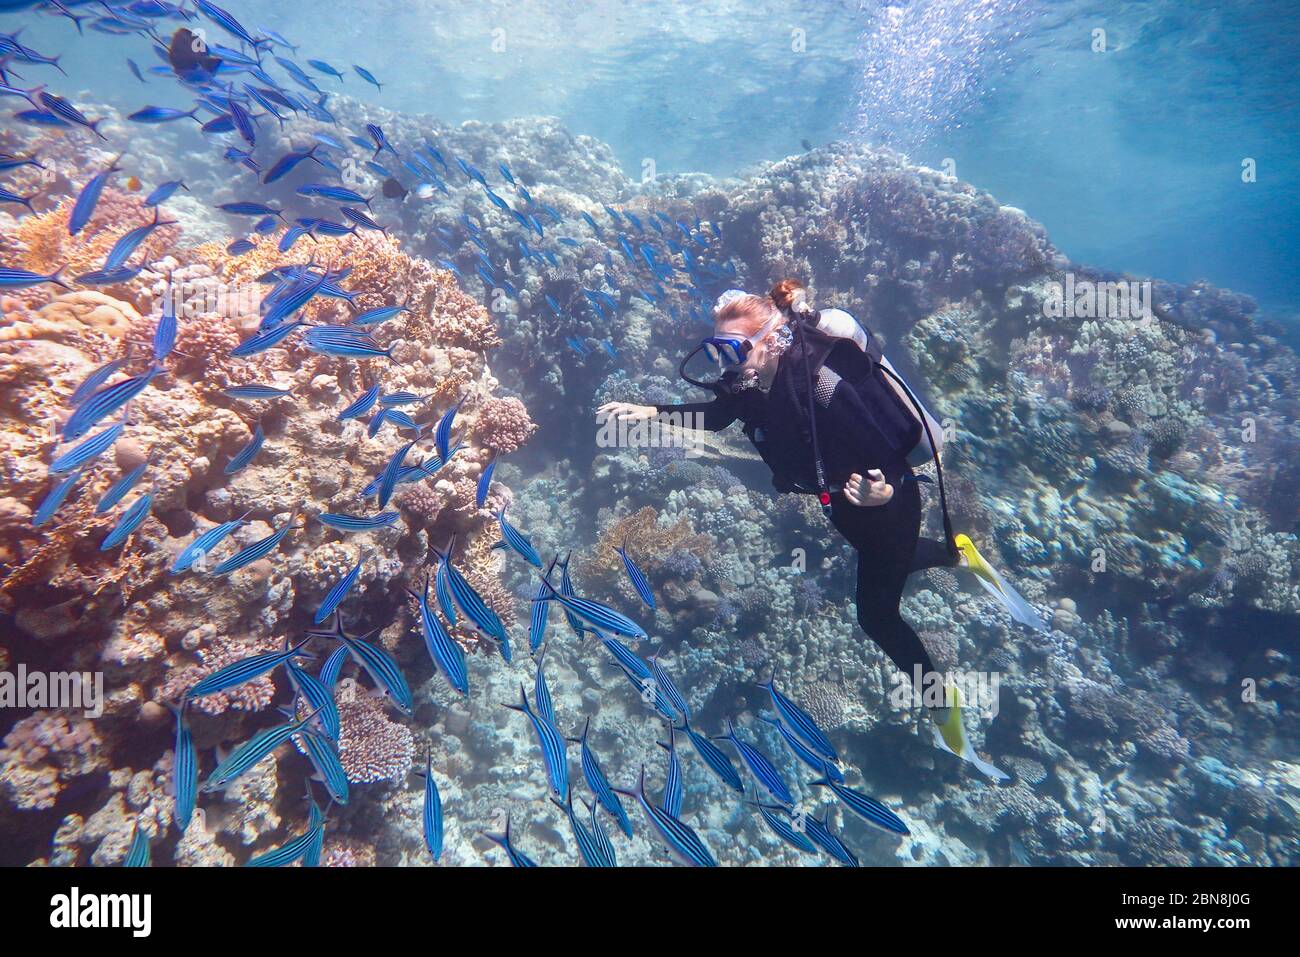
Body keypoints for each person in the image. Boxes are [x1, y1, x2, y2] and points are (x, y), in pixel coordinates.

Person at [599, 280, 1038, 775]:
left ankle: (942, 701)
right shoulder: (751, 387)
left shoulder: (821, 385)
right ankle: (958, 553)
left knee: (877, 616)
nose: (723, 361)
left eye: (732, 348)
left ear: (772, 338)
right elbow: (718, 418)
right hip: (842, 506)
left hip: (888, 504)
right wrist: (652, 411)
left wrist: (886, 490)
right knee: (889, 560)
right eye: (715, 349)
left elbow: (881, 447)